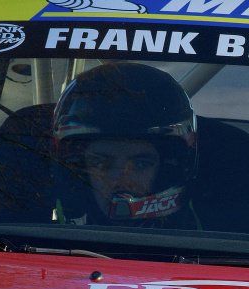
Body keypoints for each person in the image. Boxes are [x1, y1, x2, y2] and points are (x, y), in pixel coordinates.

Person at [52, 62, 201, 226]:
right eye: (101, 163)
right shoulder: (31, 232)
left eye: (140, 164)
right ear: (77, 169)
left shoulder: (212, 239)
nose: (121, 179)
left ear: (167, 170)